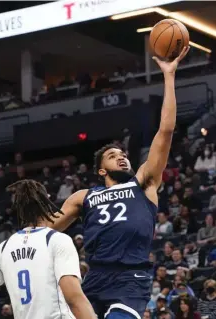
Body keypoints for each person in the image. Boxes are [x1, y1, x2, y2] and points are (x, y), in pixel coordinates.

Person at [47, 46, 190, 319]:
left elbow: (166, 130)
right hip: (95, 277)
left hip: (130, 278)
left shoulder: (144, 183)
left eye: (123, 154)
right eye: (114, 156)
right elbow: (47, 229)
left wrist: (169, 76)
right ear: (101, 171)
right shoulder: (82, 196)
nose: (122, 158)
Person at [0, 180, 96, 319]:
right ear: (47, 205)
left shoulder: (2, 249)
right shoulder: (56, 240)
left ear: (19, 210)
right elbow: (74, 298)